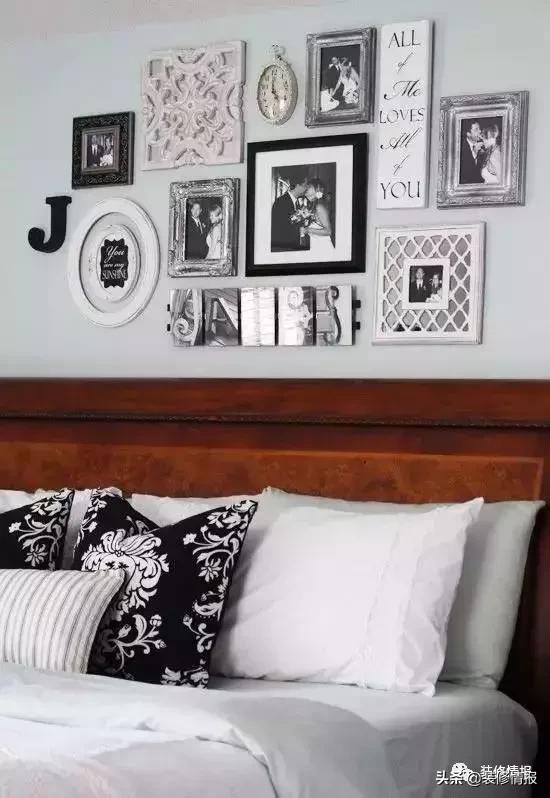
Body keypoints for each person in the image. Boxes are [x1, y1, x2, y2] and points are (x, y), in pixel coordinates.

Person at [271, 172, 309, 252]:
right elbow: (280, 230)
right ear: (298, 186)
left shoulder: (296, 202)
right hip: (283, 248)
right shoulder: (282, 202)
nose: (307, 188)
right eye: (305, 185)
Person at [300, 181, 335, 258]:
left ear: (317, 189)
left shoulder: (319, 207)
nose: (306, 188)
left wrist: (308, 230)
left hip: (323, 248)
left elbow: (328, 231)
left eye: (309, 186)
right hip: (314, 247)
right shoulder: (309, 207)